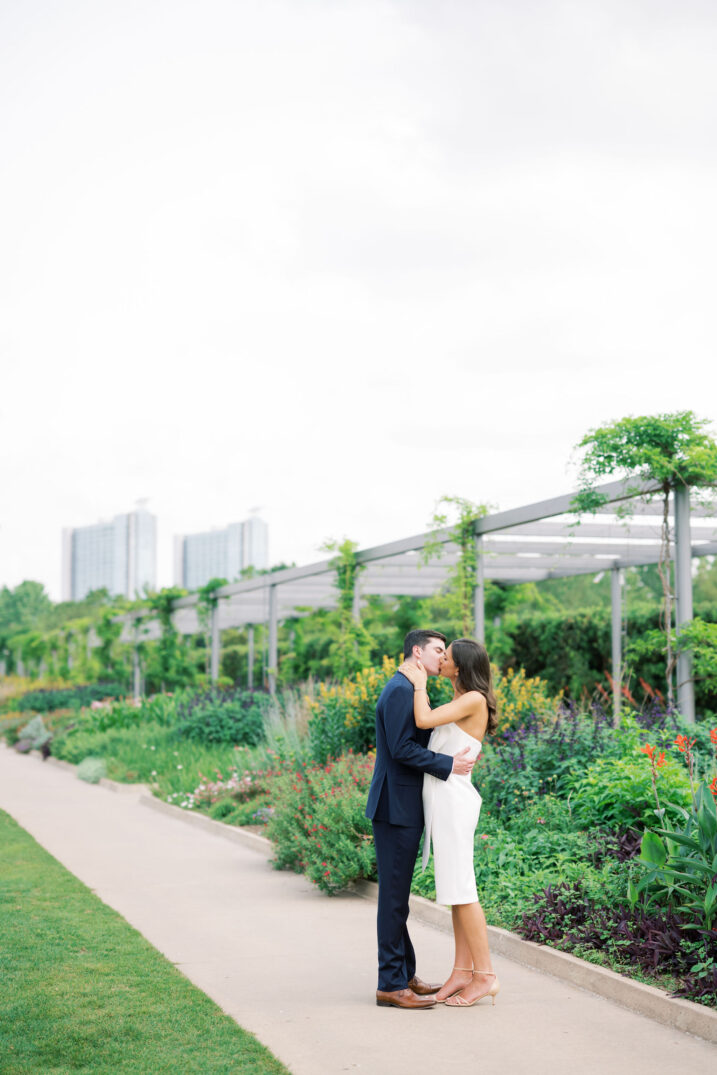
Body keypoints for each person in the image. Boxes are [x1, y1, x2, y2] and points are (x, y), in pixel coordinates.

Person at [365, 629, 476, 1010]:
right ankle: (390, 985)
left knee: (398, 900)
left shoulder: (409, 686)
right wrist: (449, 764)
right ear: (417, 651)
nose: (443, 658)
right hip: (395, 808)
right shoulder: (400, 689)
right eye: (437, 650)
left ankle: (404, 974)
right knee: (393, 901)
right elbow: (400, 748)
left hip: (402, 805)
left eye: (445, 652)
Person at [399, 638, 500, 1008]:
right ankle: (462, 971)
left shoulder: (472, 700)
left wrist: (419, 684)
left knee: (463, 889)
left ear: (461, 667)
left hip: (455, 803)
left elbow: (423, 719)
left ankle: (485, 976)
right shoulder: (461, 700)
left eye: (448, 657)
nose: (441, 659)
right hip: (444, 801)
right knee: (455, 892)